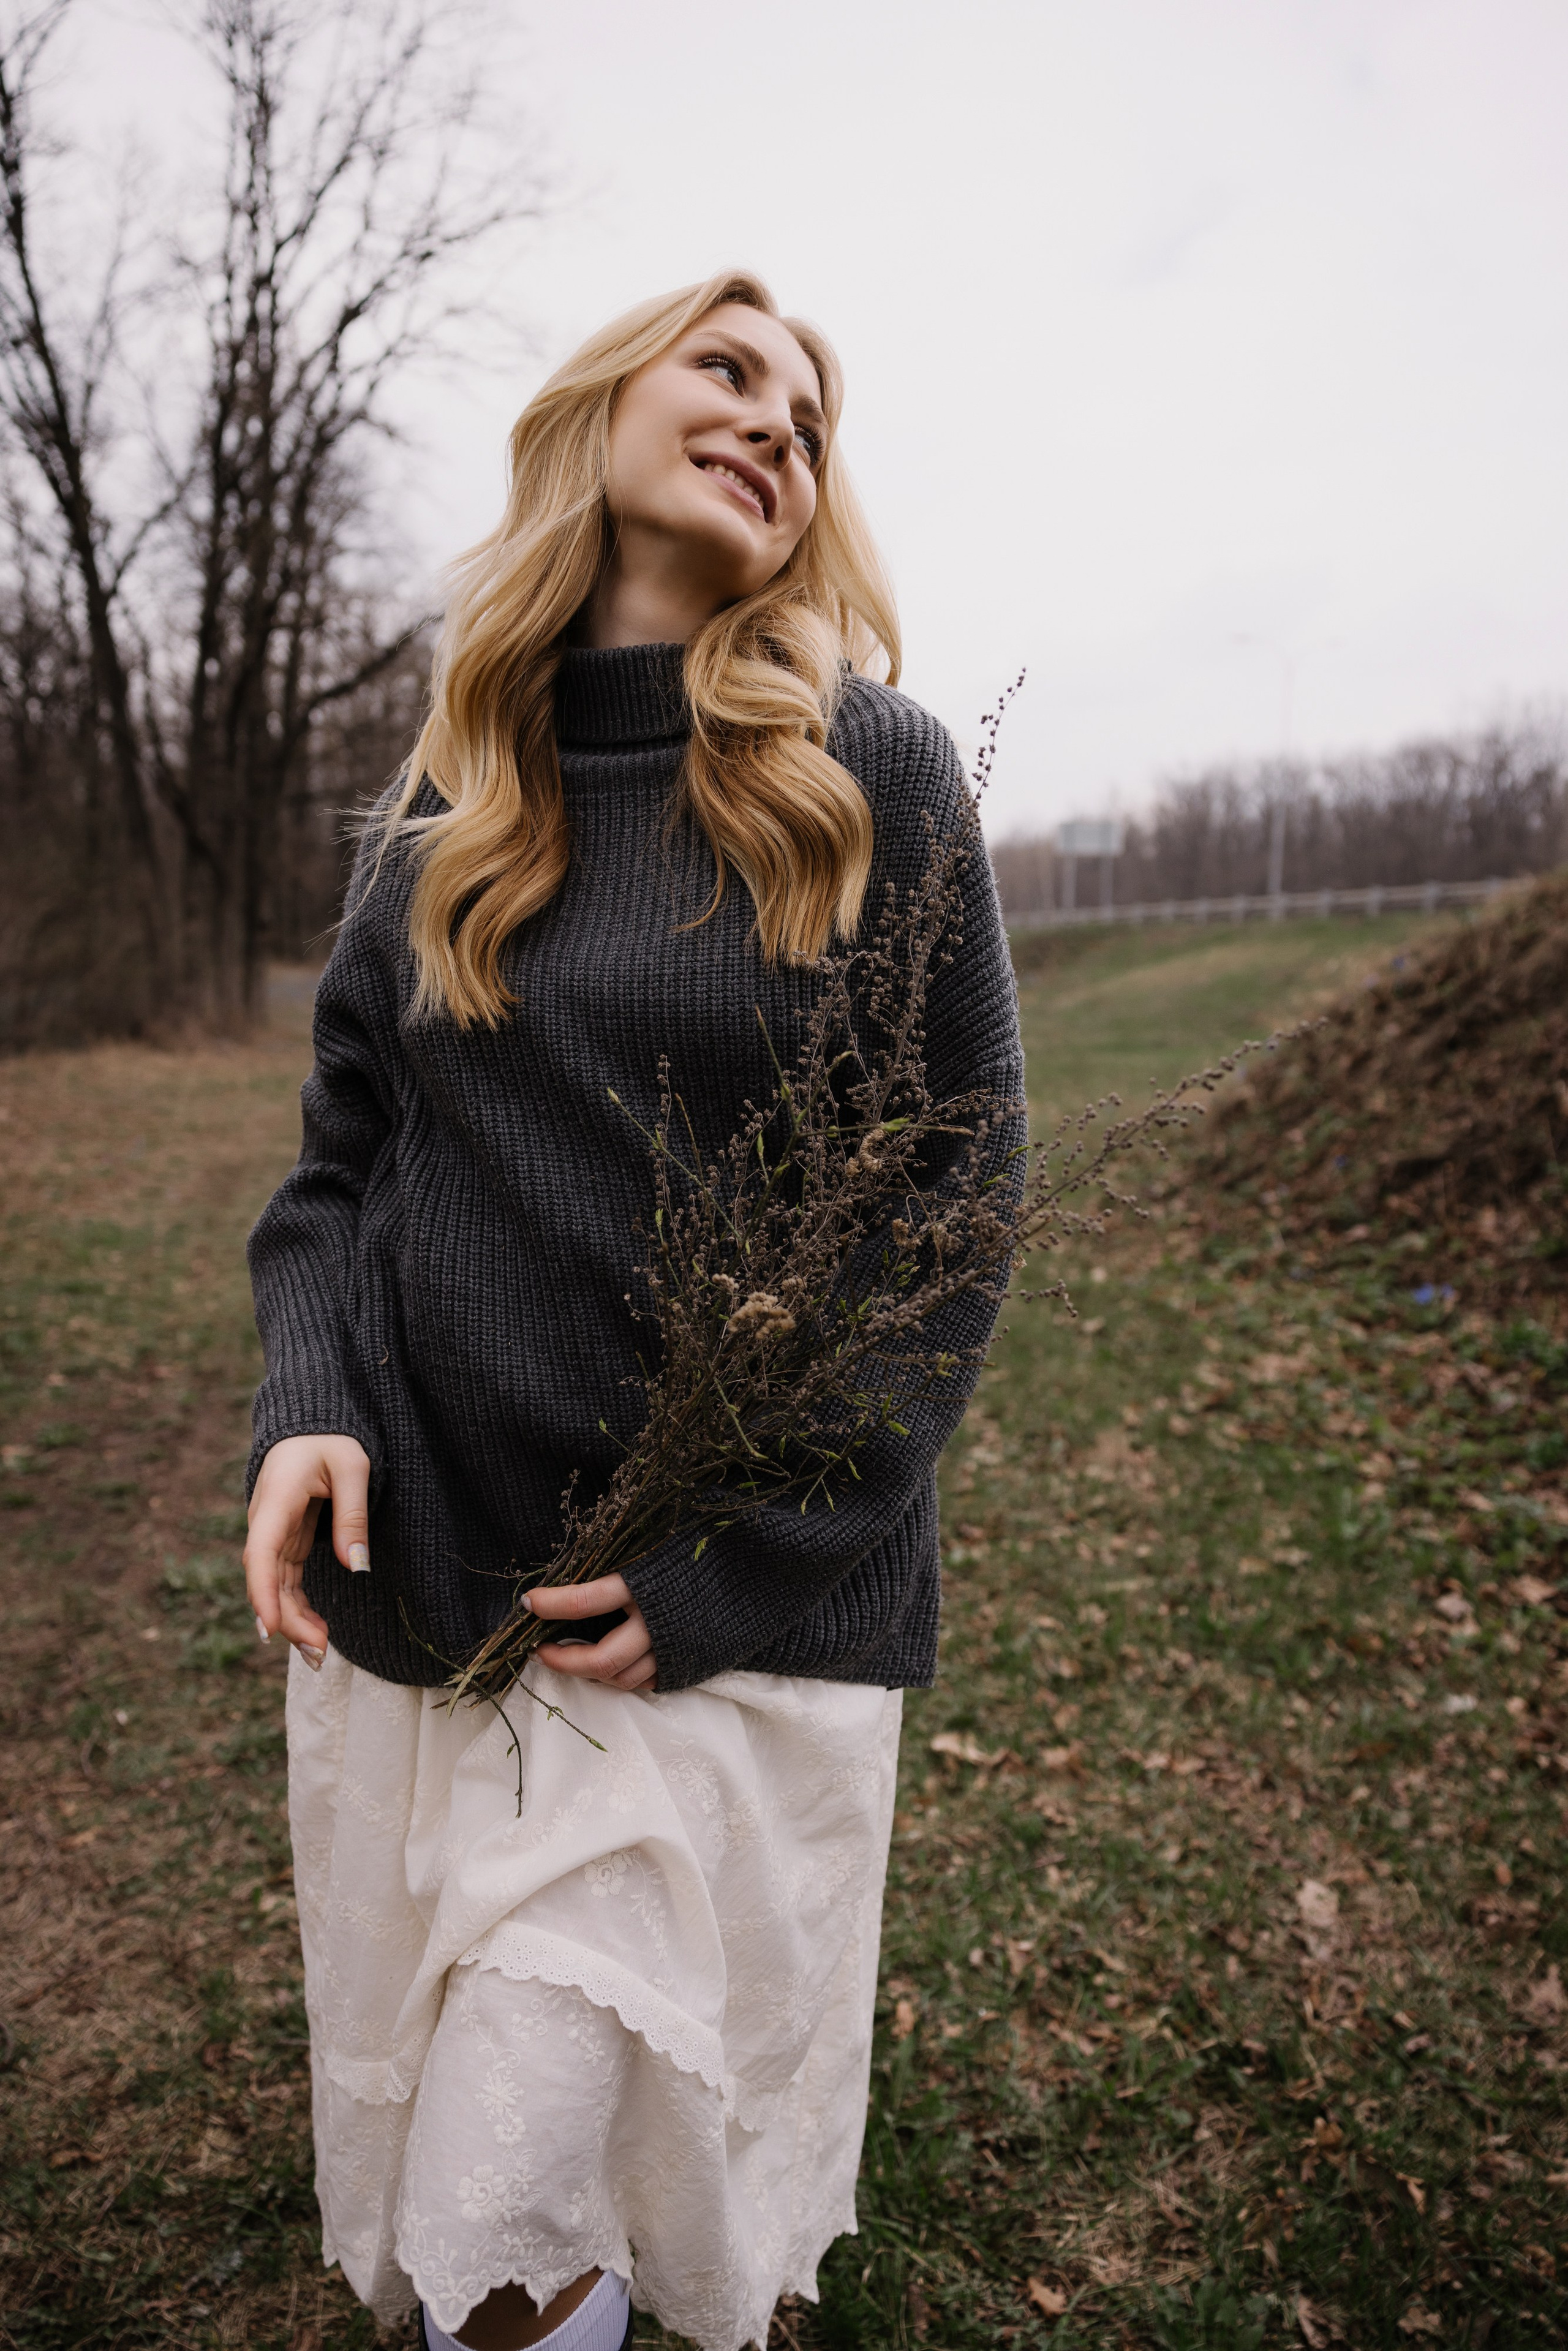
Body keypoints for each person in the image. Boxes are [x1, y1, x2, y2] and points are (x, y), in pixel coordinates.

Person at [244, 270, 1023, 2351]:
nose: (780, 419)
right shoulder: (450, 802)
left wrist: (743, 1557)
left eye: (814, 413)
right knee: (553, 2212)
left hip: (735, 1625)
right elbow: (341, 1169)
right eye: (733, 368)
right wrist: (307, 1396)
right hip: (451, 1604)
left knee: (576, 2173)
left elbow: (960, 1197)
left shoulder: (872, 776)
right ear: (602, 409)